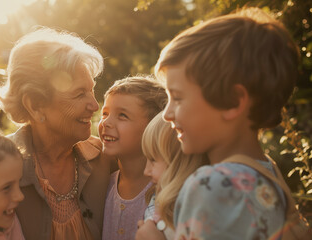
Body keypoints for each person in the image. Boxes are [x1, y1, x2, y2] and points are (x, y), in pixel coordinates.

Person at [153, 7, 300, 239]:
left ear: (234, 101)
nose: (166, 114)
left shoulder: (211, 185)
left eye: (178, 98)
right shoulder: (267, 172)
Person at [0, 27, 114, 240]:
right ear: (35, 105)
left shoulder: (106, 159)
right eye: (79, 94)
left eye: (92, 90)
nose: (95, 105)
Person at [99, 76, 167, 240]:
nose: (106, 122)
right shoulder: (102, 185)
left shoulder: (165, 192)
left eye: (122, 115)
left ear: (152, 127)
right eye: (105, 113)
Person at [136, 112, 207, 240]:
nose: (146, 171)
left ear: (178, 164)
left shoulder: (195, 216)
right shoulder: (159, 202)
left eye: (152, 159)